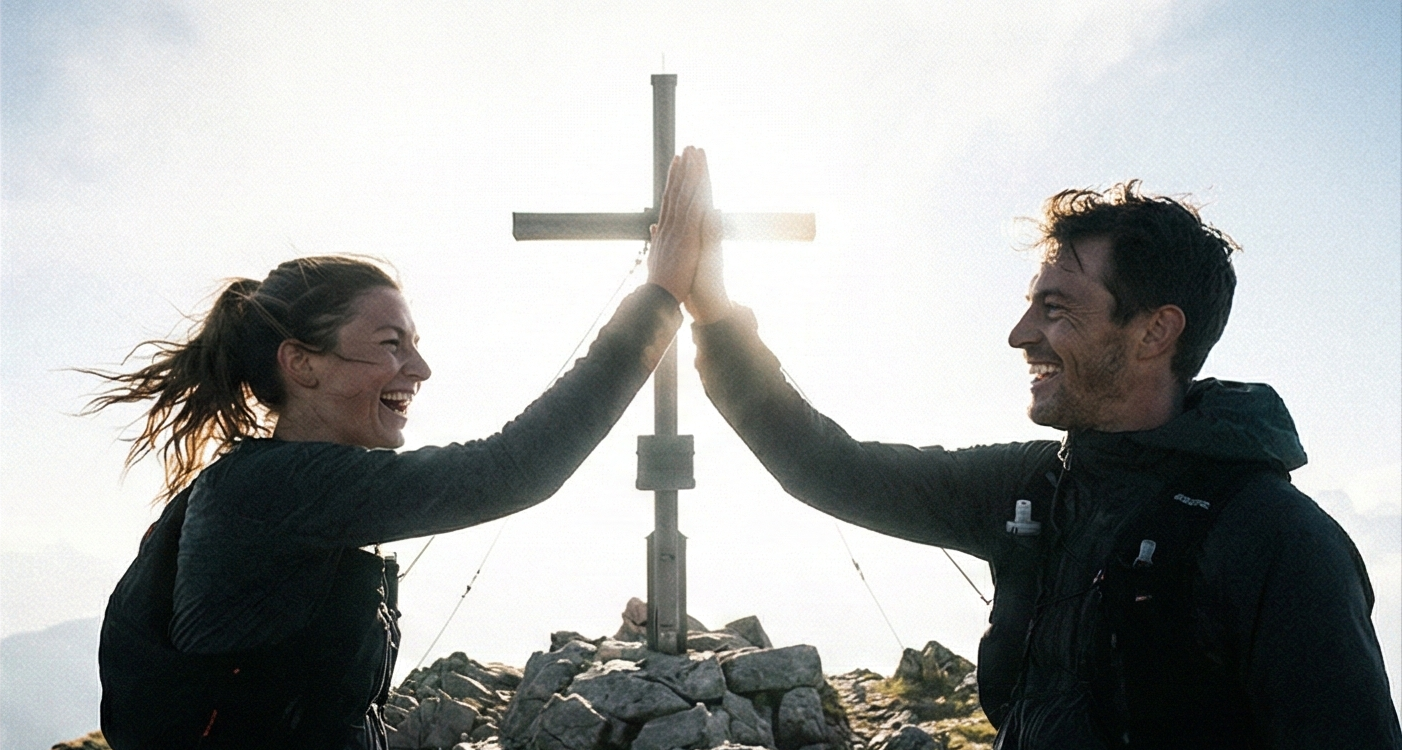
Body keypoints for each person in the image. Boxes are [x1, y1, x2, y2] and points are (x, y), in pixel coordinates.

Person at [671, 154, 1402, 748]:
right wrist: (713, 312)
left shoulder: (1279, 541)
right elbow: (829, 468)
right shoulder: (1033, 485)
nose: (1020, 334)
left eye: (1055, 309)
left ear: (1155, 332)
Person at [92, 147, 714, 749]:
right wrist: (659, 298)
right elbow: (512, 468)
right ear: (302, 364)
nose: (420, 369)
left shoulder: (280, 485)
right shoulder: (276, 487)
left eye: (415, 343)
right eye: (392, 344)